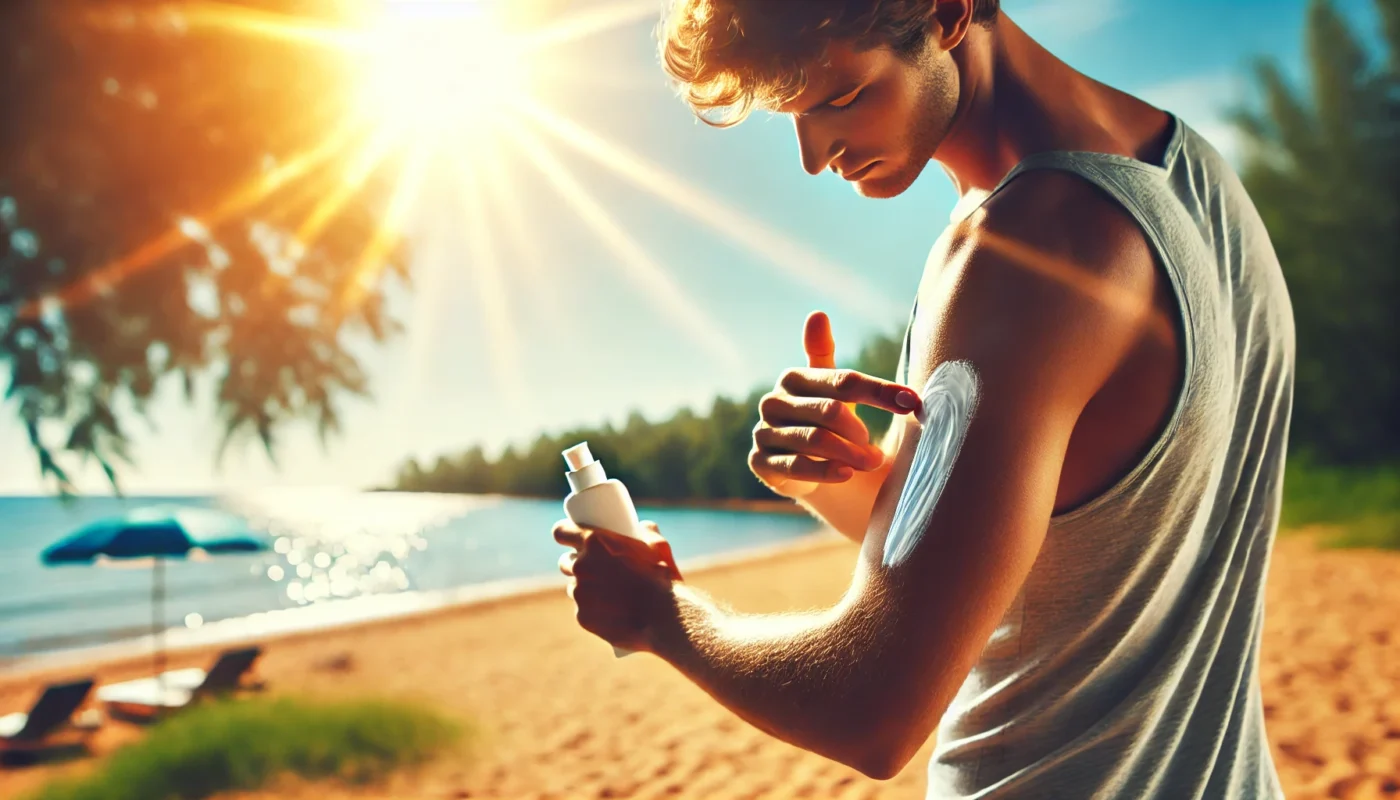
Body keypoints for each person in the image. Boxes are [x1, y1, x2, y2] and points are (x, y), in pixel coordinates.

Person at [551, 1, 1294, 796]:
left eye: (837, 98)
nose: (814, 154)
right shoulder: (1201, 181)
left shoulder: (1025, 248)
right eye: (791, 112)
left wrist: (660, 613)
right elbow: (1060, 551)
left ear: (948, 13)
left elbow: (873, 710)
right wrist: (838, 476)